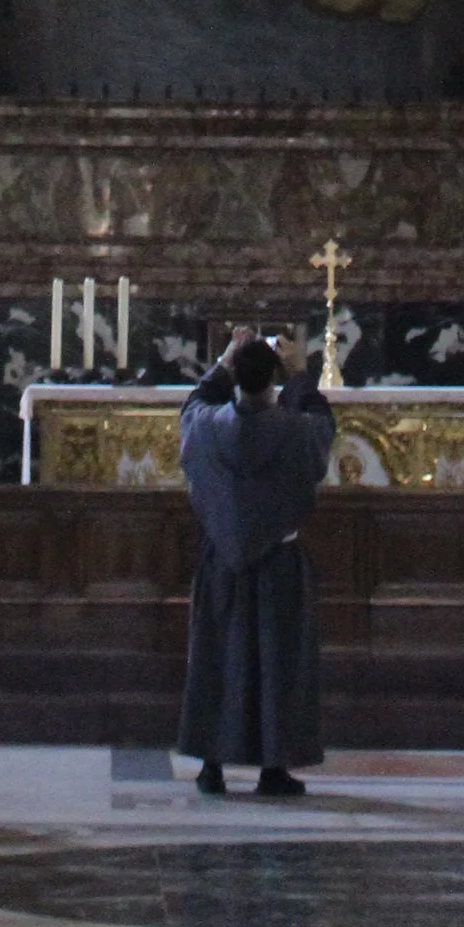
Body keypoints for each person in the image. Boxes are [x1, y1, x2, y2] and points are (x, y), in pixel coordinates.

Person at [178, 324, 337, 797]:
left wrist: (224, 363)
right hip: (278, 562)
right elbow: (323, 425)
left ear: (236, 378)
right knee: (279, 663)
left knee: (216, 660)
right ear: (273, 381)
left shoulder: (209, 427)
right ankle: (274, 767)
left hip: (222, 560)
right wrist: (301, 374)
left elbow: (189, 410)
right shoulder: (296, 428)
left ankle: (212, 765)